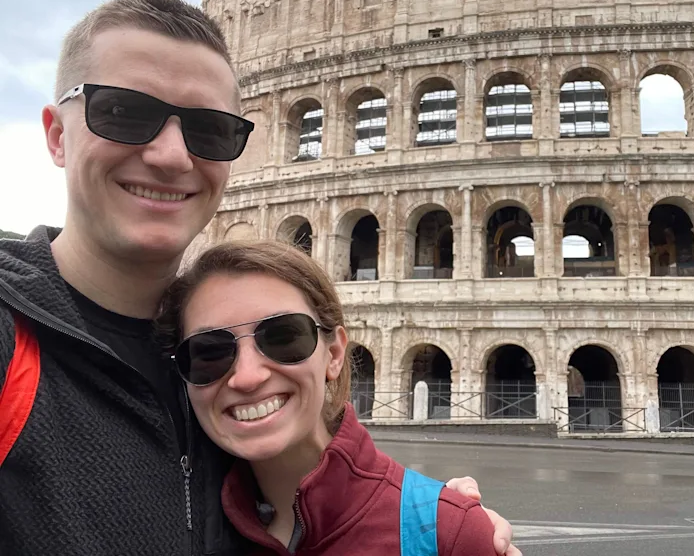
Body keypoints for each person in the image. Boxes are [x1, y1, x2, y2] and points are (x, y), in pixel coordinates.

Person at [0, 0, 518, 556]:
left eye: (210, 130)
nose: (172, 155)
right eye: (125, 113)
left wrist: (433, 523)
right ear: (56, 135)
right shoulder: (12, 340)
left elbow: (325, 485)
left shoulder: (216, 362)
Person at [158, 238, 499, 555]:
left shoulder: (449, 533)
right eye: (209, 352)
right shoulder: (173, 527)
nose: (248, 377)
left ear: (334, 353)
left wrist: (458, 525)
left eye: (283, 337)